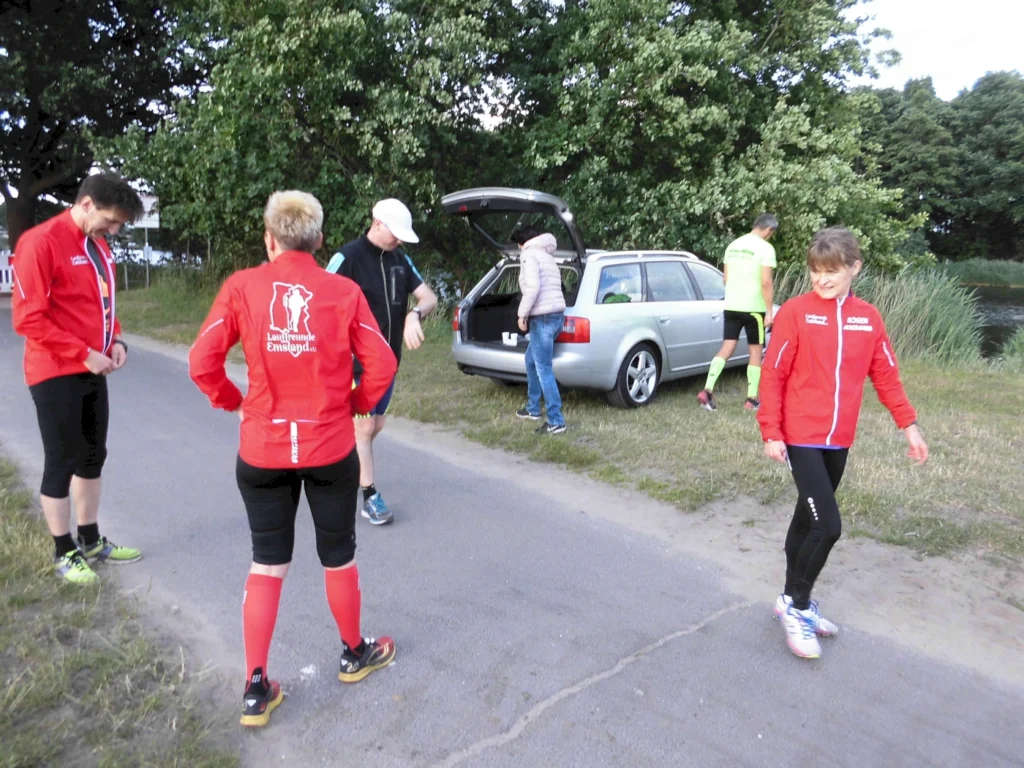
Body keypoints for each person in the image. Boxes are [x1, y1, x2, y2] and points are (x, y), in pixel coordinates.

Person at [189, 191, 399, 727]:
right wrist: (354, 404)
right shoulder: (344, 290)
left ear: (269, 238)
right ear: (320, 240)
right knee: (338, 555)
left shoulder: (243, 286)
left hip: (263, 448)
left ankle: (256, 687)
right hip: (330, 446)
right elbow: (382, 362)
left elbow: (202, 361)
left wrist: (233, 402)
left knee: (267, 561)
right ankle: (354, 652)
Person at [757, 226, 929, 660]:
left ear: (855, 267)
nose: (821, 280)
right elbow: (773, 375)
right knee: (827, 526)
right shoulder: (796, 312)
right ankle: (798, 607)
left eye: (831, 271)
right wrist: (771, 431)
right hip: (800, 435)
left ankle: (786, 598)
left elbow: (886, 374)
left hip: (839, 439)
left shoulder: (868, 317)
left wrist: (909, 426)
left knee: (805, 519)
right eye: (816, 271)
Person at [11, 173, 144, 584]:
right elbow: (28, 318)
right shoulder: (40, 242)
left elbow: (104, 302)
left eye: (120, 224)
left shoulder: (99, 246)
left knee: (92, 457)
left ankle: (90, 540)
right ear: (86, 204)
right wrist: (83, 353)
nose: (115, 230)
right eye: (111, 220)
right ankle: (63, 550)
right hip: (55, 371)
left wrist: (116, 338)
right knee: (62, 461)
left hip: (93, 368)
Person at [325, 198, 437, 525]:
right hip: (354, 362)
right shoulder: (347, 258)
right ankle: (369, 495)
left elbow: (429, 296)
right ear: (377, 224)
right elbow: (316, 296)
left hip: (387, 364)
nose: (400, 240)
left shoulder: (400, 259)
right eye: (396, 233)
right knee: (364, 426)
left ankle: (333, 460)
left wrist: (415, 314)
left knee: (376, 426)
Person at [698, 213, 778, 412]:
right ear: (769, 230)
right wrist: (769, 312)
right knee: (755, 352)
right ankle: (751, 399)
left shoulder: (733, 245)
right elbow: (766, 282)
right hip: (754, 308)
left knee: (727, 347)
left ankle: (707, 390)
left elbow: (726, 279)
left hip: (732, 305)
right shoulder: (766, 249)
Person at [512, 226, 567, 435]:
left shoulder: (528, 255)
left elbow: (533, 288)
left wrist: (522, 314)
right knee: (531, 361)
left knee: (543, 368)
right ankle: (533, 408)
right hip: (555, 315)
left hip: (542, 317)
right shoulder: (546, 255)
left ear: (521, 243)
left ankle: (556, 421)